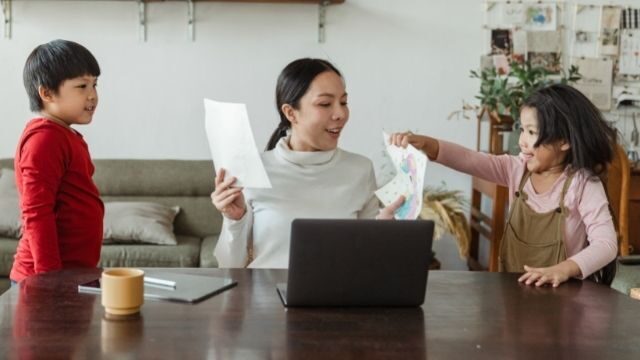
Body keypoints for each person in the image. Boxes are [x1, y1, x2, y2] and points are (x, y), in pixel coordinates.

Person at [391, 84, 618, 287]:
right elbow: (470, 159)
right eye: (522, 130)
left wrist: (563, 270)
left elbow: (606, 244)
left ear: (564, 141)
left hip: (566, 302)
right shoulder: (516, 170)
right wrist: (427, 144)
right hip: (514, 294)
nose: (522, 141)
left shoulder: (583, 184)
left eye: (532, 132)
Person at [212, 58, 403, 268]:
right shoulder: (252, 170)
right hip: (265, 296)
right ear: (290, 112)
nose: (340, 114)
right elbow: (230, 266)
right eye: (325, 104)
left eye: (344, 102)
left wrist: (386, 232)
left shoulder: (360, 169)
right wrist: (234, 220)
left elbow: (368, 261)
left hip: (337, 296)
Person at [9, 40, 104, 284]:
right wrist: (49, 279)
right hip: (46, 279)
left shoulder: (63, 135)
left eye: (94, 84)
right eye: (82, 86)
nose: (92, 95)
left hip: (71, 274)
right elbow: (36, 212)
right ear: (47, 93)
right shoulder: (45, 139)